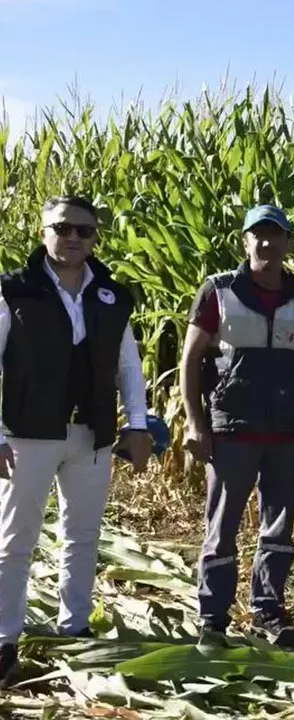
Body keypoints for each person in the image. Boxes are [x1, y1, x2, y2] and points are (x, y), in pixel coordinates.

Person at [0, 196, 152, 687]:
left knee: (82, 536)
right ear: (43, 231)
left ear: (95, 237)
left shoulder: (110, 295)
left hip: (91, 435)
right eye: (62, 227)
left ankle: (75, 628)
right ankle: (4, 640)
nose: (72, 238)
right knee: (14, 542)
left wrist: (138, 424)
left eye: (84, 231)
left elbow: (128, 364)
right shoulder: (15, 291)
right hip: (27, 434)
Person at [180, 204, 294, 649]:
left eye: (276, 235)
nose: (267, 243)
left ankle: (267, 611)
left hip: (286, 432)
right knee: (222, 527)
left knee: (279, 529)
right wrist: (195, 422)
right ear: (245, 242)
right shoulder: (219, 291)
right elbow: (190, 359)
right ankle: (213, 618)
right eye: (258, 235)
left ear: (287, 242)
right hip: (232, 430)